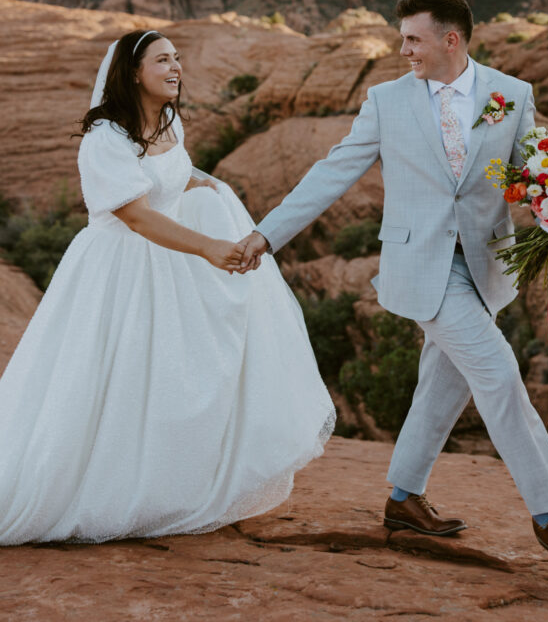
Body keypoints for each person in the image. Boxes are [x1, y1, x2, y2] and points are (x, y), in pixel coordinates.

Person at [237, 0, 548, 573]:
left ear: (450, 39)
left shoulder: (510, 95)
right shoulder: (387, 100)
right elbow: (331, 172)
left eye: (413, 38)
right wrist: (265, 236)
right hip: (421, 269)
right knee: (497, 373)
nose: (404, 49)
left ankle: (403, 499)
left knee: (444, 386)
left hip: (486, 267)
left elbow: (534, 171)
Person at [0, 29, 334, 544]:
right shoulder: (105, 137)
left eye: (178, 59)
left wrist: (207, 187)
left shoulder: (169, 123)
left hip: (167, 272)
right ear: (134, 72)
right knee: (112, 380)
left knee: (168, 377)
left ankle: (165, 484)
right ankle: (93, 490)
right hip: (119, 273)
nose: (176, 67)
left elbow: (173, 177)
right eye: (163, 60)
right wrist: (208, 247)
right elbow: (136, 216)